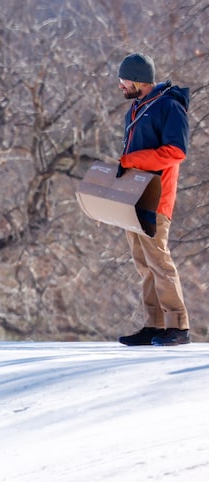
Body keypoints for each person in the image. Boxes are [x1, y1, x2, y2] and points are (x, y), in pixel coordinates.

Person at [116, 53, 191, 346]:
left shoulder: (169, 106)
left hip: (156, 199)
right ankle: (155, 324)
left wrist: (133, 160)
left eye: (123, 81)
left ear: (138, 80)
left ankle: (178, 326)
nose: (120, 86)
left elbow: (176, 152)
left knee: (159, 262)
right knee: (143, 264)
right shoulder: (137, 109)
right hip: (132, 199)